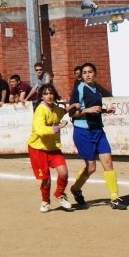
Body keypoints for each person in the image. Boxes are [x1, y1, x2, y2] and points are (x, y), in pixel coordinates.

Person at [68, 63, 126, 210]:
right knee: (91, 167)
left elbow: (96, 109)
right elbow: (72, 114)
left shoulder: (97, 89)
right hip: (83, 131)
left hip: (98, 130)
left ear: (95, 73)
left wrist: (106, 111)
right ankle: (76, 188)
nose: (87, 75)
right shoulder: (79, 90)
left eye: (90, 72)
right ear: (81, 75)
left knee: (108, 162)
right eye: (85, 72)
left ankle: (114, 197)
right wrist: (87, 110)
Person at [27, 84, 79, 212]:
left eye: (51, 93)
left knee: (64, 173)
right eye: (45, 94)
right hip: (38, 148)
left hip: (53, 148)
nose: (49, 96)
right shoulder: (40, 110)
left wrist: (72, 106)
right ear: (41, 96)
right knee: (46, 179)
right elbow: (40, 130)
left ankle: (59, 194)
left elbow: (62, 112)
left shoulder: (55, 108)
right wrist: (58, 127)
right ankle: (45, 201)